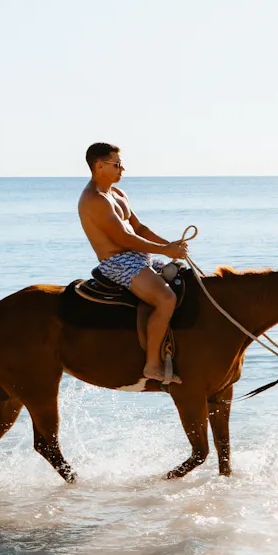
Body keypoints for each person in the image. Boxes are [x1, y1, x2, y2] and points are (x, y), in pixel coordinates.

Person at [77, 142, 190, 385]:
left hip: (140, 256)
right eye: (117, 164)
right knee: (166, 298)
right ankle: (152, 365)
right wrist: (164, 250)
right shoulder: (95, 200)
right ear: (99, 166)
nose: (122, 169)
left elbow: (139, 229)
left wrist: (170, 246)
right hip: (117, 261)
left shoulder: (117, 194)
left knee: (188, 280)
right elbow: (123, 238)